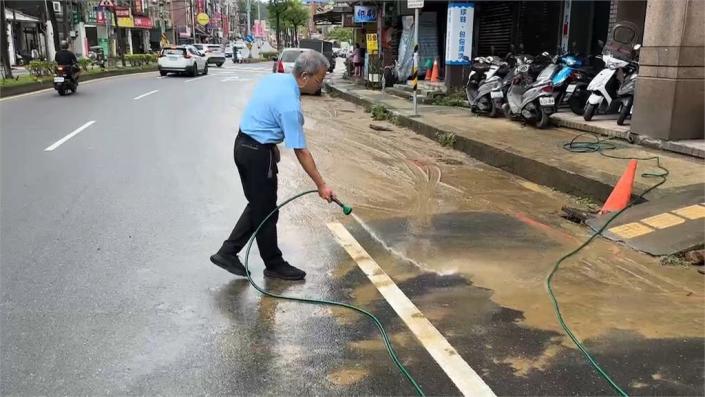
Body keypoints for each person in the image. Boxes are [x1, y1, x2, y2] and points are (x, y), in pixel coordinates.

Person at [211, 51, 335, 281]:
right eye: (320, 79)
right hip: (258, 155)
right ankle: (271, 264)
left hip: (243, 145)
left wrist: (271, 144)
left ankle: (228, 253)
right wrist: (322, 185)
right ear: (305, 76)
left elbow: (261, 112)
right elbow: (301, 151)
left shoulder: (275, 80)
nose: (322, 83)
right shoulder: (290, 106)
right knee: (266, 211)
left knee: (261, 206)